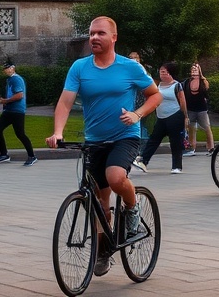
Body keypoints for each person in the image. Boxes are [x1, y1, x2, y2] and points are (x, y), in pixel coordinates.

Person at [47, 16, 161, 278]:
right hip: (94, 140)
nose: (94, 38)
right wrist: (58, 132)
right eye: (91, 33)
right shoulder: (79, 67)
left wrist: (137, 114)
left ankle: (132, 208)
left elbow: (154, 95)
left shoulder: (130, 67)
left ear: (113, 38)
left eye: (100, 33)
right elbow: (65, 103)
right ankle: (103, 249)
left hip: (125, 136)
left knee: (115, 176)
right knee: (99, 199)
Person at [133, 62, 188, 173]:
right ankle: (144, 161)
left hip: (175, 115)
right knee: (154, 139)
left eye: (164, 72)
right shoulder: (158, 85)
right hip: (161, 117)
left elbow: (183, 102)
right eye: (161, 72)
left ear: (170, 73)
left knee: (175, 141)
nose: (162, 74)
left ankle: (177, 166)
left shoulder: (177, 85)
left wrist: (185, 116)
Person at [0, 62, 37, 166]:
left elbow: (20, 95)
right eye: (5, 69)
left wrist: (5, 101)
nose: (6, 70)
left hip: (17, 111)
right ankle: (4, 155)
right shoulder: (10, 80)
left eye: (8, 68)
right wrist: (3, 100)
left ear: (13, 68)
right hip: (9, 111)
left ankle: (32, 156)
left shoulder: (16, 79)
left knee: (20, 134)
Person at [183, 63, 214, 156]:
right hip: (190, 109)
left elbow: (207, 94)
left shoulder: (203, 81)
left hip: (202, 109)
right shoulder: (187, 82)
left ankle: (211, 148)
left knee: (207, 128)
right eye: (192, 70)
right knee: (191, 128)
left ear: (199, 71)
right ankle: (192, 148)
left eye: (195, 70)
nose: (193, 72)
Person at [128, 51, 153, 145]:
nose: (133, 59)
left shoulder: (144, 73)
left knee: (141, 126)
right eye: (131, 57)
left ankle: (143, 148)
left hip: (141, 105)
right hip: (130, 106)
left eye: (136, 57)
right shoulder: (126, 73)